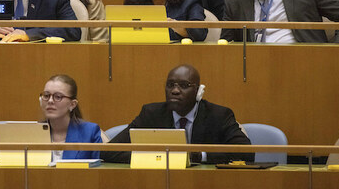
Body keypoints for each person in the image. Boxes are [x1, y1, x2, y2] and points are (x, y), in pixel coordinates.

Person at [102, 64, 252, 164]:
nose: (174, 90)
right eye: (170, 85)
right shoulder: (151, 113)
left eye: (184, 86)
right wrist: (159, 157)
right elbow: (109, 151)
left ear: (199, 91)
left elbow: (246, 153)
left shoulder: (218, 115)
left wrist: (201, 156)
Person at [40, 74, 102, 161]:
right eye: (46, 96)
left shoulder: (90, 132)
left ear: (72, 104)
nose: (50, 101)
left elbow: (99, 171)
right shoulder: (32, 133)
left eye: (58, 97)